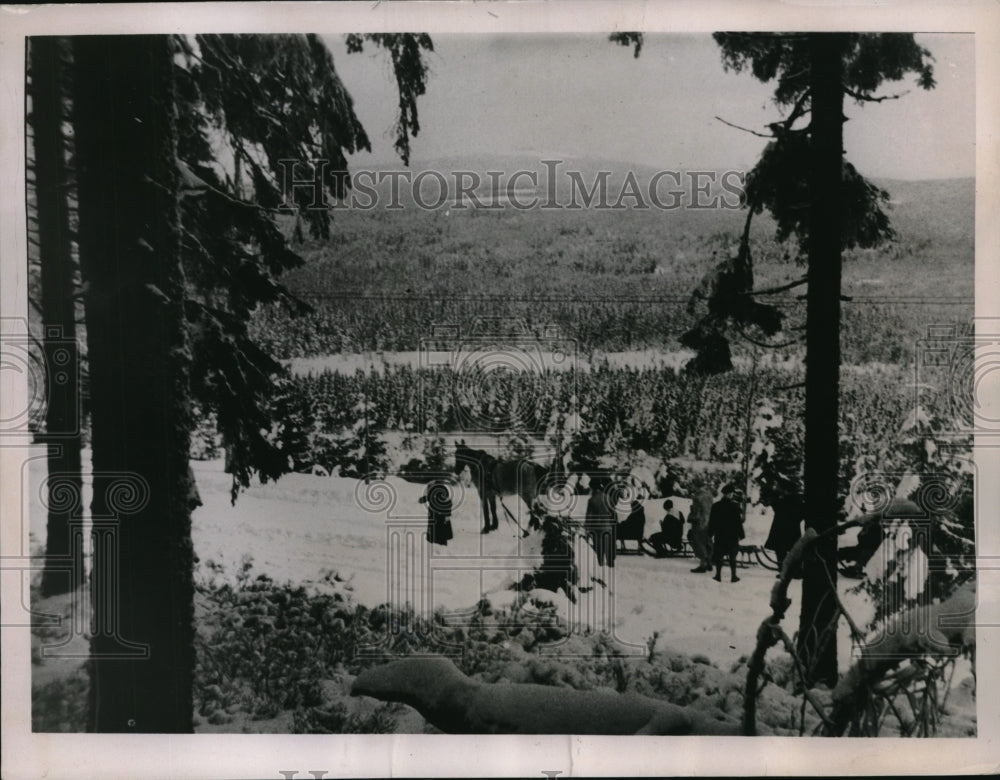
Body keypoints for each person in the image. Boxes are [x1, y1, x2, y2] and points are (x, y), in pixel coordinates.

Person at [709, 484, 744, 583]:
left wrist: (710, 533)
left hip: (720, 535)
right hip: (732, 536)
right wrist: (741, 534)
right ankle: (733, 576)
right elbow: (738, 522)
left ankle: (718, 576)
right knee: (732, 557)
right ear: (730, 494)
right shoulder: (735, 506)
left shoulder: (716, 506)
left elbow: (712, 521)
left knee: (719, 556)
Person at [764, 492, 804, 574]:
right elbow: (802, 514)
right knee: (794, 551)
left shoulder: (780, 501)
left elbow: (772, 504)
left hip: (780, 530)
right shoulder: (798, 501)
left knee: (780, 552)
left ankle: (783, 571)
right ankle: (797, 571)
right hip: (793, 530)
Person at [585, 476, 616, 568]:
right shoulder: (608, 497)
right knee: (608, 545)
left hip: (596, 527)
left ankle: (600, 563)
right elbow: (613, 511)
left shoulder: (591, 500)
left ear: (593, 488)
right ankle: (611, 563)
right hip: (607, 526)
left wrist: (586, 528)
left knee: (599, 547)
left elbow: (589, 516)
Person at [687, 480, 715, 573]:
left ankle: (703, 564)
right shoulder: (709, 495)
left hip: (699, 523)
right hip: (709, 522)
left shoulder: (697, 497)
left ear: (696, 486)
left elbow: (696, 511)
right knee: (708, 542)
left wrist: (691, 517)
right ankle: (709, 563)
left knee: (699, 543)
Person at [419, 479, 454, 547]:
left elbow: (448, 503)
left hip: (439, 516)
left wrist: (447, 515)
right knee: (435, 531)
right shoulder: (435, 492)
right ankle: (435, 544)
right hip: (435, 515)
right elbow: (427, 497)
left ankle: (438, 545)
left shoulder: (440, 492)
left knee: (439, 531)